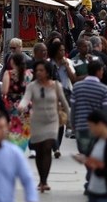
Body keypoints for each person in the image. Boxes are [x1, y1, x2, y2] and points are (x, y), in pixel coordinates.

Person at [19, 60, 70, 192]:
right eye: (37, 70)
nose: (39, 73)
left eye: (42, 70)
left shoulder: (56, 86)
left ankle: (45, 181)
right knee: (40, 150)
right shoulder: (32, 86)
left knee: (47, 147)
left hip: (52, 121)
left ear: (48, 72)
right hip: (37, 121)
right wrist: (22, 105)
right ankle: (41, 180)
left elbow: (64, 102)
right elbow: (26, 98)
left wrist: (71, 118)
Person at [71, 60, 107, 156]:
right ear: (97, 71)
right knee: (95, 158)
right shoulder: (104, 89)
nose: (103, 73)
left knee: (86, 157)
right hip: (97, 129)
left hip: (81, 127)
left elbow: (73, 109)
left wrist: (73, 125)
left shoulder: (77, 87)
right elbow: (106, 111)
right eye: (102, 70)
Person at [1, 53, 32, 155]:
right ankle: (20, 152)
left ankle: (12, 151)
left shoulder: (8, 73)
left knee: (12, 130)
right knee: (24, 131)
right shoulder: (29, 74)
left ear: (12, 62)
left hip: (12, 105)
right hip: (26, 105)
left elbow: (4, 91)